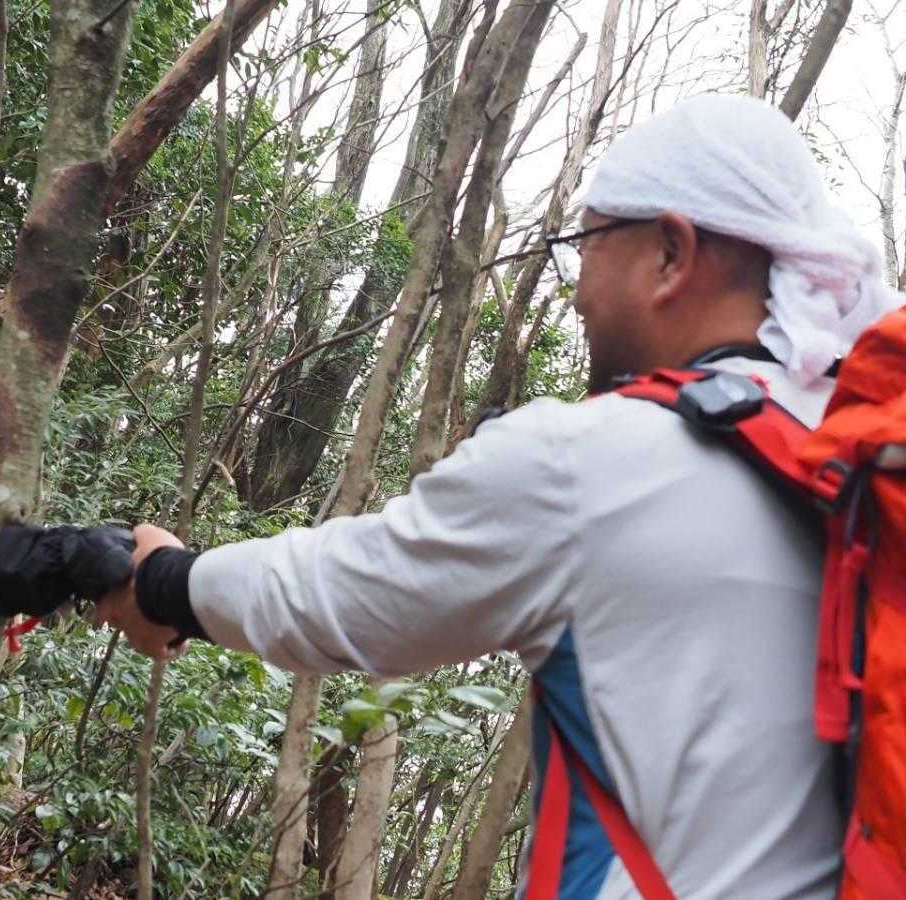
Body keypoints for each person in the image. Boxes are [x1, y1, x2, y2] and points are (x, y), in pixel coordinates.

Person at [92, 95, 903, 896]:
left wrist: (167, 580)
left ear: (670, 252)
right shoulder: (857, 464)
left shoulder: (589, 460)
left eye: (587, 243)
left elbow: (337, 598)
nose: (578, 291)